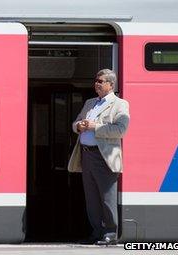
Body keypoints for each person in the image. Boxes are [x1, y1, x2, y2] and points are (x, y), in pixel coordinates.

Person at [68, 69, 130, 246]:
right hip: (86, 155)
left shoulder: (120, 104)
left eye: (101, 81)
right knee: (92, 197)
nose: (97, 83)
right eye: (96, 80)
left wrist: (96, 126)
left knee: (107, 197)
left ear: (111, 84)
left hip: (104, 156)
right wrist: (79, 126)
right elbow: (75, 123)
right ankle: (96, 232)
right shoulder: (89, 103)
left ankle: (110, 232)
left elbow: (120, 130)